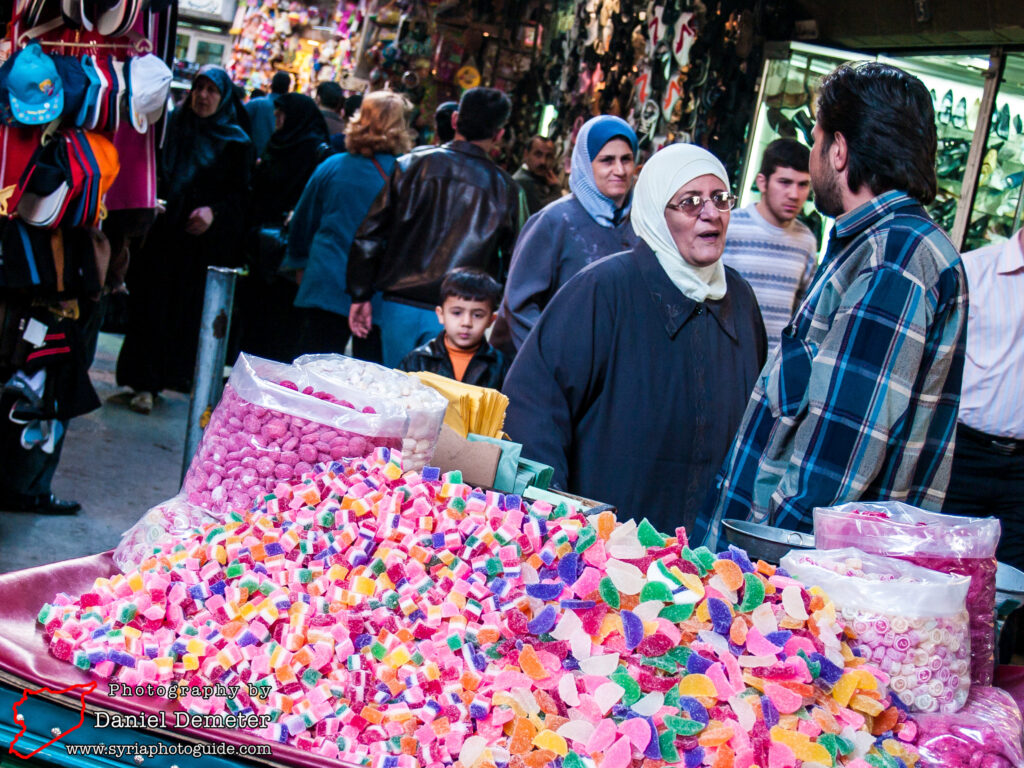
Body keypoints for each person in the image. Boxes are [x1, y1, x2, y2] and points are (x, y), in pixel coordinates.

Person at [697, 62, 968, 547]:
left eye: (818, 142)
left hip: (784, 573)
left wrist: (758, 559)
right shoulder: (878, 244)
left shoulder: (895, 258)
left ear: (839, 151)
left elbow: (838, 455)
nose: (814, 159)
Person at [502, 144, 767, 534]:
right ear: (657, 214)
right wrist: (557, 522)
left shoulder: (739, 299)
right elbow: (534, 405)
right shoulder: (603, 289)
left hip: (704, 555)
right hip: (600, 546)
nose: (710, 213)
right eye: (690, 202)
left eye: (720, 199)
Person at [347, 87, 526, 368]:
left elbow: (369, 236)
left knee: (391, 394)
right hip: (460, 315)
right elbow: (517, 262)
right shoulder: (506, 189)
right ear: (499, 134)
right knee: (436, 404)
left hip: (398, 306)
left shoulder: (411, 166)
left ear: (455, 120)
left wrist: (360, 294)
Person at [116, 66, 254, 413]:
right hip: (161, 237)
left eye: (212, 91)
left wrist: (214, 213)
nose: (203, 96)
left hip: (200, 247)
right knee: (150, 309)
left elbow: (242, 198)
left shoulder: (236, 142)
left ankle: (165, 380)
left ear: (223, 98)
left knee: (182, 313)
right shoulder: (171, 128)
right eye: (199, 88)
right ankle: (142, 383)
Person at [281, 91, 413, 361]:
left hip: (325, 283)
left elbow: (303, 222)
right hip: (376, 294)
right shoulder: (406, 177)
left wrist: (299, 263)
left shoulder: (332, 166)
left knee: (312, 372)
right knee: (368, 380)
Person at [492, 116, 640, 354]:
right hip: (552, 368)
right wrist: (551, 361)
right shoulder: (554, 221)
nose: (619, 170)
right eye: (606, 161)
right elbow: (519, 305)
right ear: (585, 163)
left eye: (626, 159)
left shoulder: (640, 223)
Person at [942, 226, 1024, 570]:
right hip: (963, 454)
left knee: (1013, 581)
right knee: (945, 568)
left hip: (1022, 471)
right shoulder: (972, 270)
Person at [237, 93, 329, 362]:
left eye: (282, 114)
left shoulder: (314, 151)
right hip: (261, 248)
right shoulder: (279, 143)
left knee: (281, 323)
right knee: (256, 317)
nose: (276, 119)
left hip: (289, 253)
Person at [721, 138, 817, 348]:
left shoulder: (806, 241)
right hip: (728, 355)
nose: (794, 194)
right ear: (762, 182)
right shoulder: (730, 227)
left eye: (803, 185)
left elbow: (802, 312)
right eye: (785, 182)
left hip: (773, 365)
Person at [397, 268, 510, 389]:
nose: (466, 323)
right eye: (457, 313)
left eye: (477, 315)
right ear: (441, 314)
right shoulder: (417, 360)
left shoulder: (501, 365)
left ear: (491, 320)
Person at [245, 70, 290, 156]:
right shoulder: (291, 110)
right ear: (287, 89)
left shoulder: (255, 104)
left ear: (271, 85)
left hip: (252, 156)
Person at [513, 135, 561, 215]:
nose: (543, 161)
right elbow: (548, 214)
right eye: (538, 154)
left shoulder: (541, 178)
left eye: (549, 156)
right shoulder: (522, 182)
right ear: (526, 154)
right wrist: (555, 188)